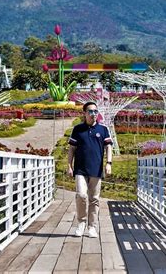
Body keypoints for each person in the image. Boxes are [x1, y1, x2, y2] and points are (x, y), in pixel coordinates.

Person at [68, 101, 113, 238]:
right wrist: (69, 165)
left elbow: (108, 147)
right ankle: (81, 223)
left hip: (96, 169)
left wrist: (109, 163)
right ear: (84, 113)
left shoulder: (103, 129)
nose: (94, 114)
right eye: (90, 111)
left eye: (95, 111)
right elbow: (72, 149)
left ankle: (92, 227)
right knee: (81, 195)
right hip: (80, 169)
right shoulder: (77, 129)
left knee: (94, 199)